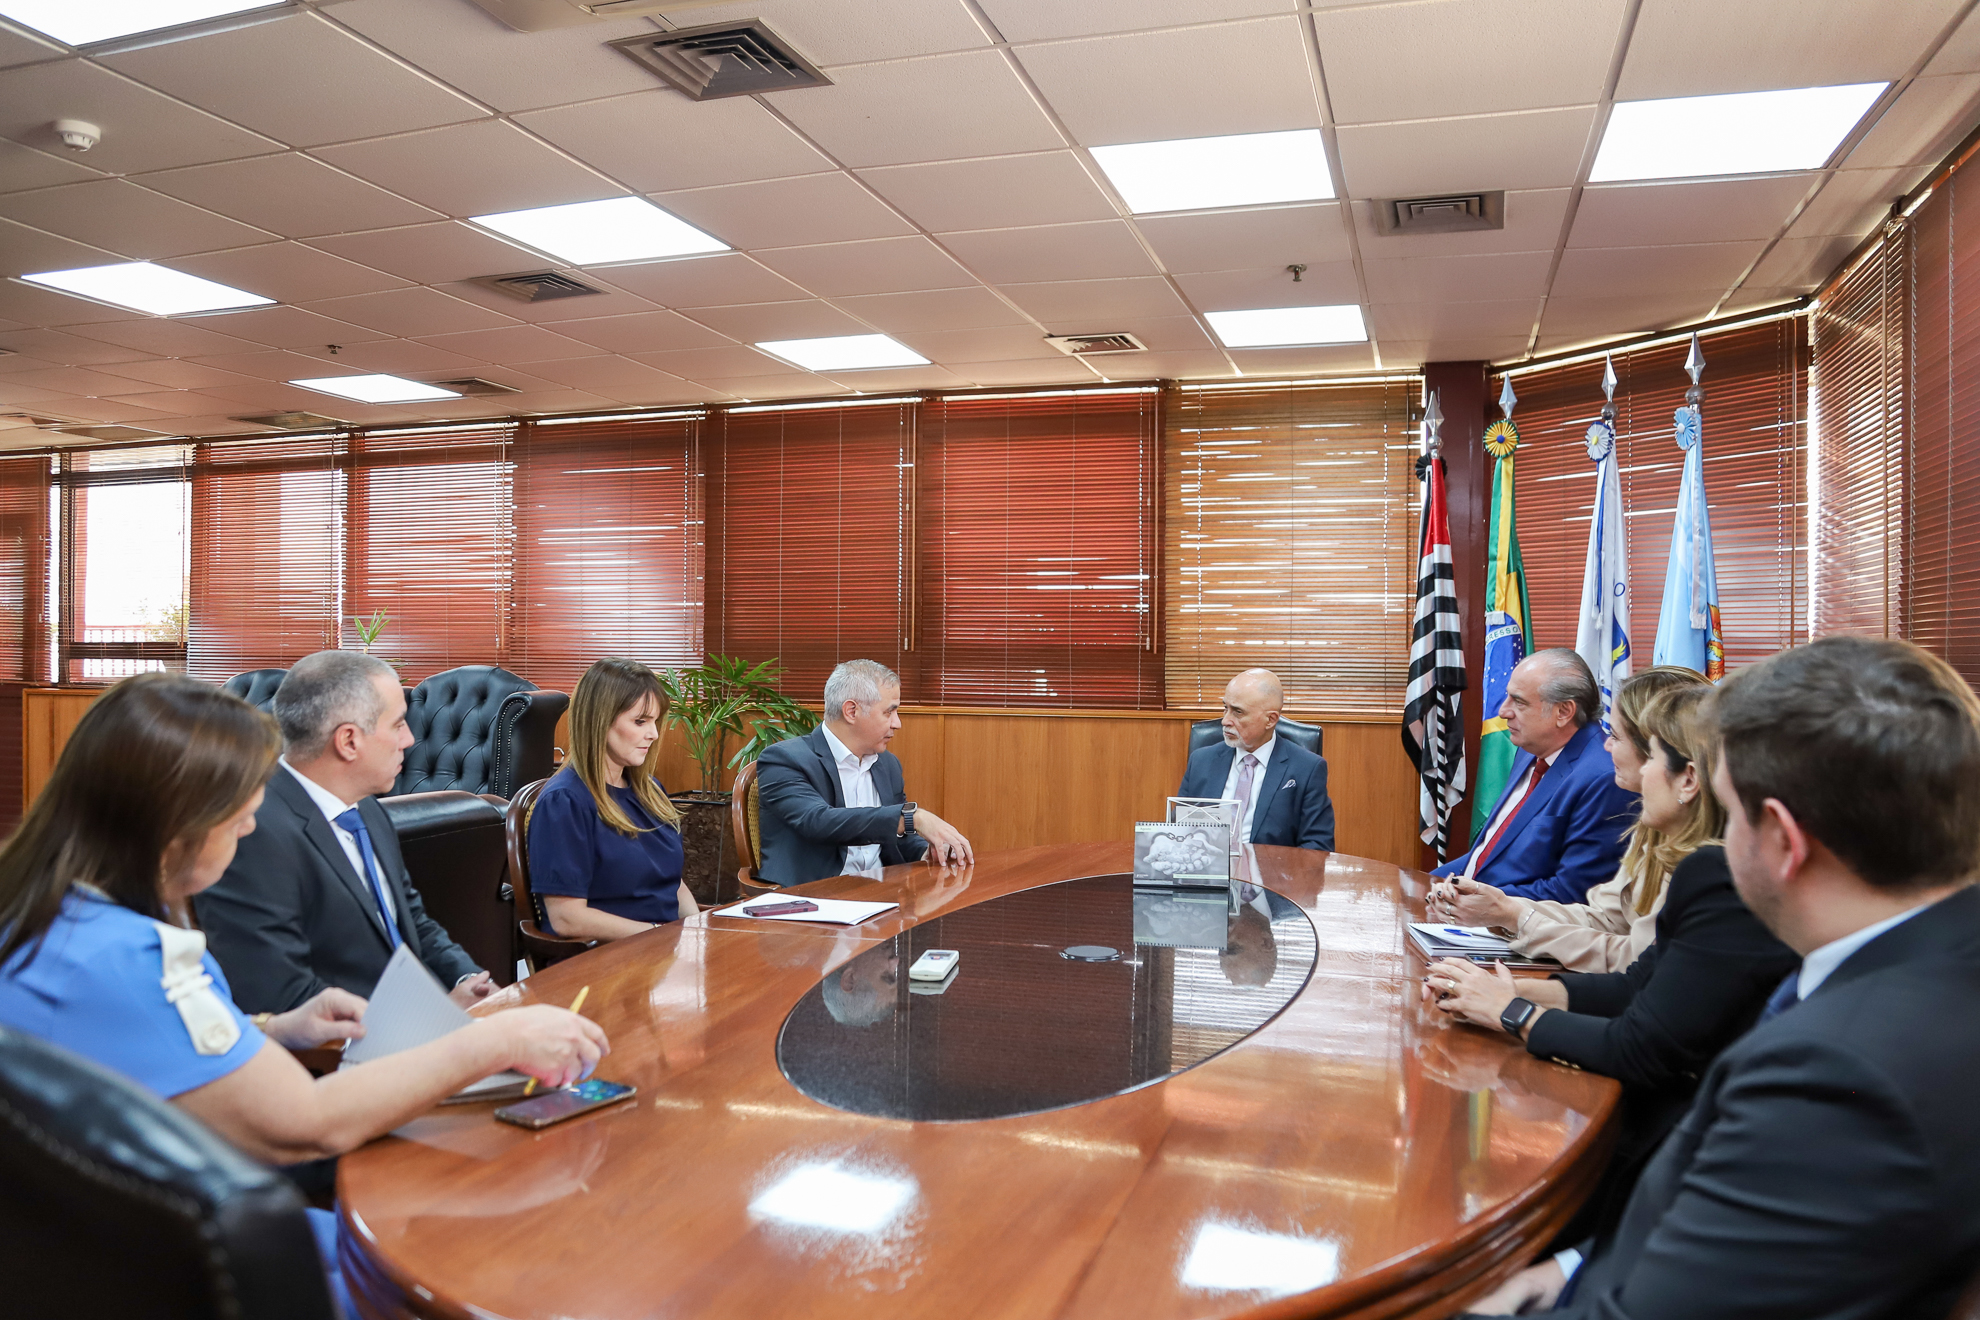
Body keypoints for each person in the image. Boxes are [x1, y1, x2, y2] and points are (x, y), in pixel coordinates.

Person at [0, 674, 607, 1310]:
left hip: (83, 1237)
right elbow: (308, 1125)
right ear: (177, 823)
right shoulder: (132, 956)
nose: (250, 825)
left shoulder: (45, 916)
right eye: (238, 816)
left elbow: (131, 1045)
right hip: (177, 1257)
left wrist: (272, 1028)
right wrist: (497, 1037)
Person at [1466, 636, 1980, 1319]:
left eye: (1730, 813)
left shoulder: (1834, 1073)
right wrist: (1570, 1264)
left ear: (1782, 841)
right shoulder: (1923, 963)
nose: (1717, 841)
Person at [1424, 685, 1797, 1240]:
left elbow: (1643, 1040)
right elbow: (1636, 981)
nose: (1615, 760)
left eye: (1626, 743)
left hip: (1681, 1141)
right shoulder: (1676, 847)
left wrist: (1513, 1013)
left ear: (1690, 779)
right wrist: (1516, 991)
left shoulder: (1719, 876)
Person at [195, 650, 493, 1013]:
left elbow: (412, 920)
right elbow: (277, 993)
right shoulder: (253, 831)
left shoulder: (365, 806)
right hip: (339, 1051)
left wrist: (469, 981)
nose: (410, 739)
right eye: (398, 724)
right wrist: (425, 1018)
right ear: (349, 741)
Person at [1429, 666, 1708, 971]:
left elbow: (1633, 961)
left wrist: (1518, 996)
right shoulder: (1652, 831)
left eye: (1615, 735)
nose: (1606, 745)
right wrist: (1504, 910)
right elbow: (1604, 915)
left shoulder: (1701, 862)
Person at [1434, 649, 1639, 904]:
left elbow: (1573, 893)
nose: (1503, 711)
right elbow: (1487, 854)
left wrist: (1470, 898)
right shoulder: (1530, 750)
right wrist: (1424, 883)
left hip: (1521, 930)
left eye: (1518, 702)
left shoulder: (1604, 778)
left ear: (1563, 712)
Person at [755, 659, 971, 887]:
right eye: (889, 712)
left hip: (881, 896)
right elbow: (818, 821)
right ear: (851, 711)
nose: (897, 723)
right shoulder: (784, 760)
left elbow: (898, 839)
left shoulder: (887, 764)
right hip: (809, 900)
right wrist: (910, 817)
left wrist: (928, 852)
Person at [527, 658, 699, 941]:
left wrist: (699, 932)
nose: (653, 734)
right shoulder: (565, 801)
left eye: (655, 721)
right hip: (606, 960)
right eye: (640, 721)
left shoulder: (650, 790)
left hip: (662, 949)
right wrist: (662, 937)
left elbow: (672, 884)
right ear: (600, 721)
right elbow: (566, 918)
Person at [1176, 668, 1335, 851]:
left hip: (1271, 876)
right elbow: (1179, 829)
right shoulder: (1202, 761)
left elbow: (1318, 847)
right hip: (1206, 871)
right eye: (1225, 708)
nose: (1225, 720)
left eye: (1238, 712)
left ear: (1270, 720)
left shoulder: (1306, 769)